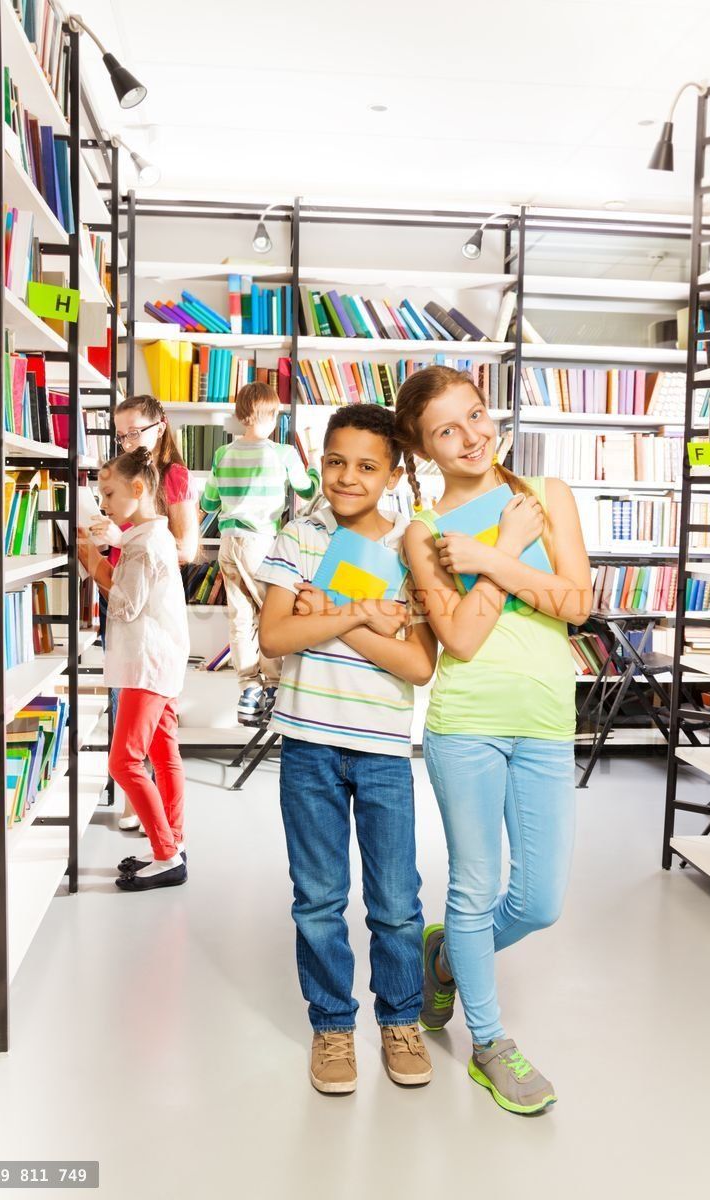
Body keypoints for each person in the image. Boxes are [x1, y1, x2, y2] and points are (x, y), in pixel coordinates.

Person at [395, 365, 592, 1116]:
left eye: (476, 415)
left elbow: (578, 604)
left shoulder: (546, 497)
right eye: (448, 429)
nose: (473, 436)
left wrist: (491, 558)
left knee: (539, 902)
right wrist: (496, 558)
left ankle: (445, 956)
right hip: (467, 722)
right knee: (475, 888)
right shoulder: (423, 532)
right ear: (424, 448)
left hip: (546, 720)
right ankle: (489, 1045)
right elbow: (460, 642)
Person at [256, 404, 437, 1096]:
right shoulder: (298, 537)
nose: (348, 477)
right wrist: (363, 613)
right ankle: (332, 1026)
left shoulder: (409, 551)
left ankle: (400, 1019)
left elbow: (418, 665)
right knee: (319, 898)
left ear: (395, 473)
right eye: (336, 462)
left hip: (384, 750)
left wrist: (330, 616)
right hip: (307, 744)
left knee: (395, 901)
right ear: (319, 462)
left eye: (367, 466)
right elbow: (274, 638)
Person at [79, 447, 190, 893]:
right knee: (163, 754)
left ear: (138, 489)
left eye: (108, 494)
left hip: (146, 664)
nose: (103, 503)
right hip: (161, 660)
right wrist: (114, 544)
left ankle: (167, 855)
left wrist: (92, 555)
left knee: (124, 761)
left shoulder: (143, 545)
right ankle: (172, 843)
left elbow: (125, 605)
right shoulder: (147, 536)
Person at [90, 396, 200, 832]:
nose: (129, 440)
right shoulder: (123, 476)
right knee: (136, 715)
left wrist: (125, 536)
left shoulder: (173, 476)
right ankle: (156, 821)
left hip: (145, 608)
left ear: (160, 425)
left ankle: (151, 819)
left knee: (143, 726)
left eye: (136, 430)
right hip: (122, 587)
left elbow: (186, 549)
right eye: (121, 433)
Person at [200, 381, 320, 727]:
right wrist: (313, 462)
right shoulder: (282, 454)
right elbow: (308, 490)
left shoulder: (223, 454)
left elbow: (208, 503)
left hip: (228, 543)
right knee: (272, 612)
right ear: (270, 415)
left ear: (241, 416)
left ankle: (247, 687)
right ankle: (274, 685)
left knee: (239, 617)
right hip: (260, 543)